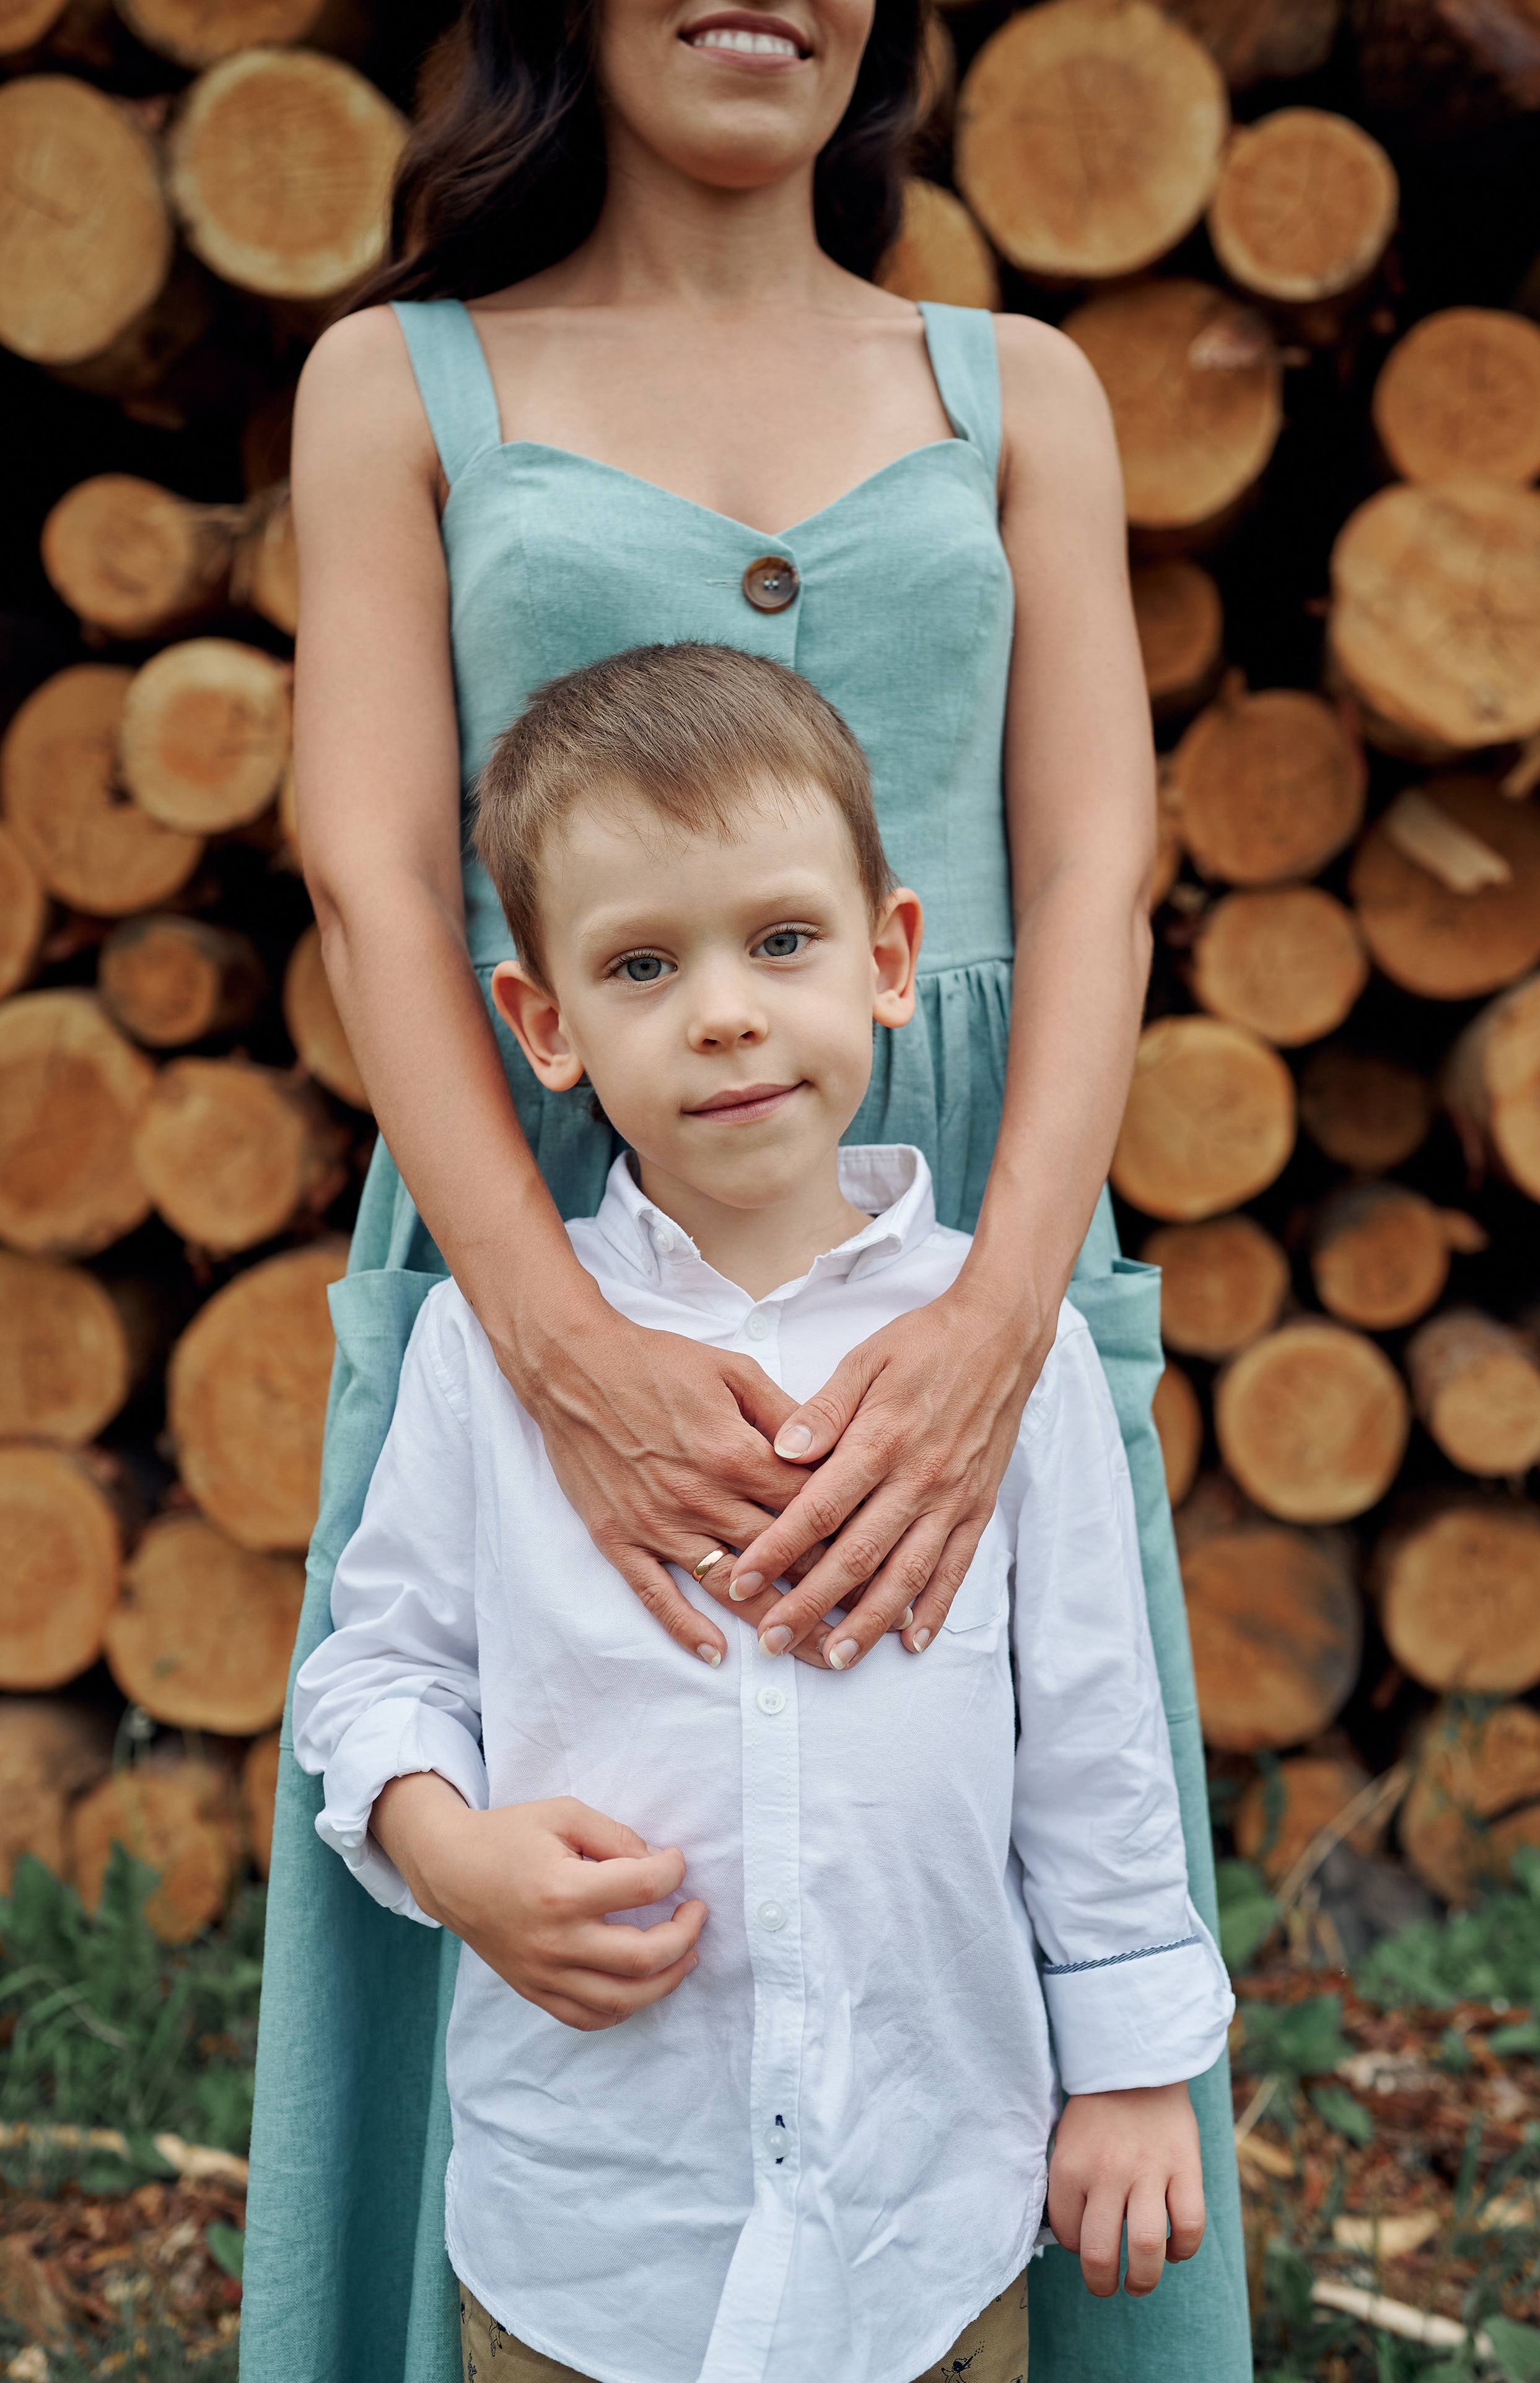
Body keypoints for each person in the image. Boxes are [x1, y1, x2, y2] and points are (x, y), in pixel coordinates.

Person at [242, 0, 1250, 2374]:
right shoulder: (406, 385)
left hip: (959, 1215)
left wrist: (1007, 1309)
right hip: (537, 1208)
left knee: (1001, 1776)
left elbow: (1098, 873)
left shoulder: (1018, 389)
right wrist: (554, 1337)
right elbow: (382, 879)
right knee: (576, 1816)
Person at [292, 643, 1236, 2383]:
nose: (725, 1011)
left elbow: (1095, 1734)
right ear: (546, 1025)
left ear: (888, 961)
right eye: (644, 964)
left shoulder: (989, 1354)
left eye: (780, 941)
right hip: (591, 2226)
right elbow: (377, 1671)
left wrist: (1127, 2069)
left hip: (925, 2218)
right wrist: (444, 1848)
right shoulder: (489, 1356)